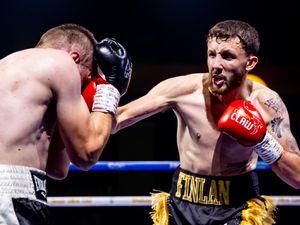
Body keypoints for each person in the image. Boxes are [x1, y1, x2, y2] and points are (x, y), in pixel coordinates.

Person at [111, 20, 300, 225]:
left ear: (250, 62)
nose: (216, 65)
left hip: (237, 206)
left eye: (227, 56)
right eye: (212, 54)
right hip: (183, 202)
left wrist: (262, 140)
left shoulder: (266, 103)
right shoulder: (182, 90)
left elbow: (297, 177)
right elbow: (116, 121)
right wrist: (109, 89)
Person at [0, 23, 132, 225]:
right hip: (10, 194)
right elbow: (87, 154)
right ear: (75, 58)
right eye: (87, 77)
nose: (84, 86)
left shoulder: (9, 66)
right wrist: (110, 89)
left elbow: (57, 168)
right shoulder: (63, 63)